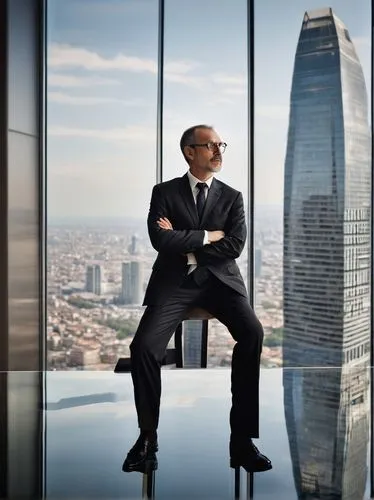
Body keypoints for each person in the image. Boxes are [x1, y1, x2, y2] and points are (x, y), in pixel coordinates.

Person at [122, 124, 272, 474]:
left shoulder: (233, 196)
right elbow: (160, 241)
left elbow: (235, 245)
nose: (218, 151)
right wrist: (206, 235)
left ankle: (242, 440)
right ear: (190, 152)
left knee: (252, 334)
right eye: (210, 145)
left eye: (221, 144)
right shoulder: (164, 192)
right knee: (143, 347)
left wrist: (188, 246)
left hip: (220, 281)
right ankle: (147, 438)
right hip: (174, 283)